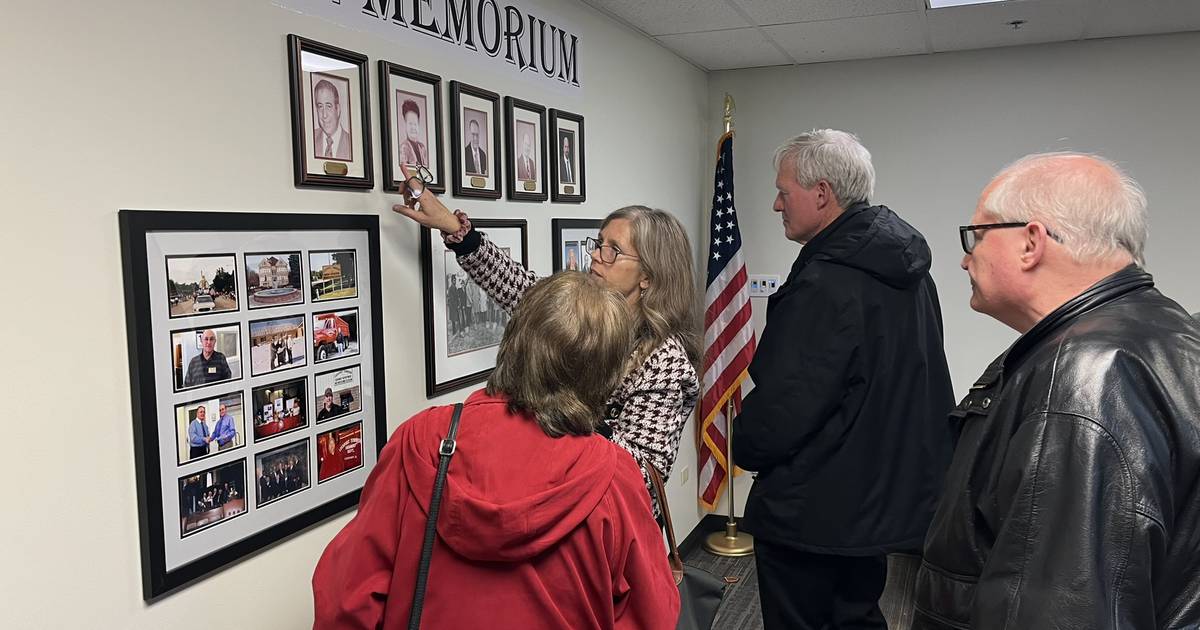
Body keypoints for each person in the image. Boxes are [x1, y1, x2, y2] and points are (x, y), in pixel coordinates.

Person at [914, 153, 1200, 629]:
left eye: (977, 235)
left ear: (1031, 242)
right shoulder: (1167, 329)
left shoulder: (1085, 377)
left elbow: (1065, 612)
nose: (966, 257)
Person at [312, 272, 680, 629]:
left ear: (513, 338)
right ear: (605, 372)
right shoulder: (613, 474)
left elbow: (347, 600)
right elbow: (651, 614)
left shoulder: (420, 439)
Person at [731, 129, 956, 630]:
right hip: (873, 503)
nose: (775, 203)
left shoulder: (825, 282)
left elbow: (787, 407)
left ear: (822, 193)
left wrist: (742, 445)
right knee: (856, 616)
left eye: (783, 191)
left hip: (811, 510)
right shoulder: (909, 271)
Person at [392, 167, 701, 515]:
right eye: (599, 243)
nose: (597, 255)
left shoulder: (665, 363)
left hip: (603, 525)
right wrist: (455, 229)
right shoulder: (580, 314)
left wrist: (567, 418)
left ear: (648, 275)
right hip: (542, 502)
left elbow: (641, 478)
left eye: (614, 250)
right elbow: (517, 286)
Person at [312, 78, 352, 161]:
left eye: (328, 106)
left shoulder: (352, 143)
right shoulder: (310, 139)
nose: (324, 115)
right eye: (320, 106)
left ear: (338, 109)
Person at [397, 98, 428, 167]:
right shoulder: (403, 148)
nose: (413, 127)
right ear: (405, 124)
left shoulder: (422, 147)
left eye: (415, 124)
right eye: (410, 123)